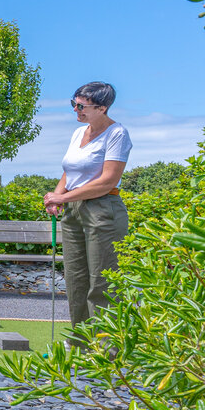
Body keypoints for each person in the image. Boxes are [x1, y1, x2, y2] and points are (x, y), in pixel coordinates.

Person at [43, 81, 132, 333]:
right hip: (74, 211)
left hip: (103, 210)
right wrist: (56, 196)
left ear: (102, 108)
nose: (76, 110)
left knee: (103, 282)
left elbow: (107, 181)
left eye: (81, 106)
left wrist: (64, 198)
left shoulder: (117, 134)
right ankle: (80, 343)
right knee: (76, 279)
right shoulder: (77, 134)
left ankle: (107, 350)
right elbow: (69, 171)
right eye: (74, 103)